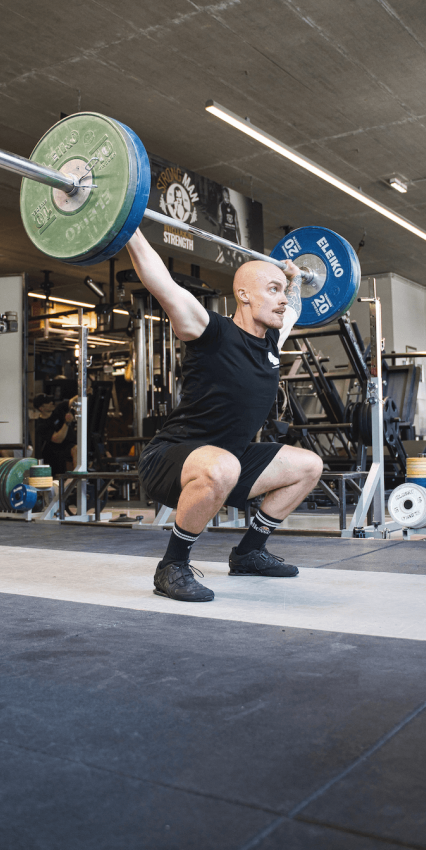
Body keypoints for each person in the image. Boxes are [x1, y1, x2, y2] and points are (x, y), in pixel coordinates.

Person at [128, 229, 324, 603]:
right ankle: (172, 566)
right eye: (272, 290)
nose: (282, 300)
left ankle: (249, 552)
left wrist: (294, 278)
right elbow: (161, 284)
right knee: (222, 468)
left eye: (282, 291)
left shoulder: (271, 341)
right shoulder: (210, 330)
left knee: (308, 465)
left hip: (230, 458)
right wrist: (129, 229)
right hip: (172, 459)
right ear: (244, 294)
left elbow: (294, 305)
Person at [33, 394, 78, 474]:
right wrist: (67, 423)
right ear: (41, 408)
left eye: (51, 400)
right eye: (47, 402)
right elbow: (58, 439)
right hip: (55, 452)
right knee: (76, 449)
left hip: (69, 446)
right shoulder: (41, 425)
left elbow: (72, 401)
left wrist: (84, 393)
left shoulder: (58, 410)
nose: (51, 403)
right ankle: (77, 479)